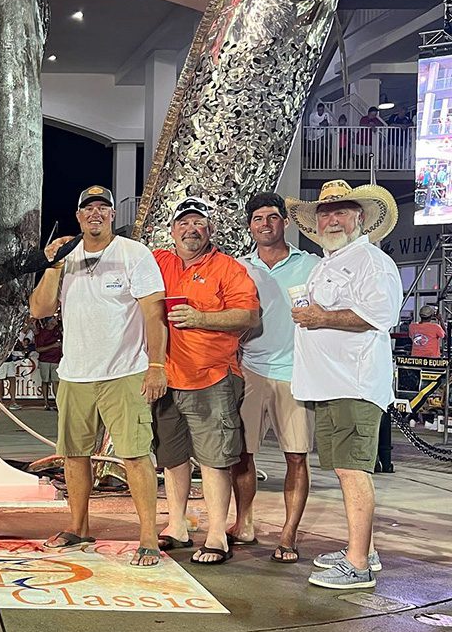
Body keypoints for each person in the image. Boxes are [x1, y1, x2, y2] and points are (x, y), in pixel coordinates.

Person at [31, 185, 168, 567]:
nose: (96, 213)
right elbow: (40, 309)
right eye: (88, 208)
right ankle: (78, 528)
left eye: (103, 207)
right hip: (75, 373)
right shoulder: (67, 257)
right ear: (78, 216)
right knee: (74, 456)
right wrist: (54, 264)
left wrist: (156, 365)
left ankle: (148, 537)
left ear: (111, 215)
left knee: (135, 454)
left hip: (124, 372)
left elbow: (154, 315)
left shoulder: (133, 253)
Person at [286, 180, 402, 590]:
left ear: (360, 218)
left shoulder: (371, 261)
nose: (331, 219)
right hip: (329, 384)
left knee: (354, 470)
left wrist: (321, 318)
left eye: (341, 211)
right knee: (344, 469)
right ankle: (362, 548)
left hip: (353, 383)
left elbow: (380, 315)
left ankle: (357, 567)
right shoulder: (326, 263)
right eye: (324, 213)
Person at [152, 196, 259, 566]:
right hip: (167, 379)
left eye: (198, 223)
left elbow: (248, 315)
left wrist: (201, 319)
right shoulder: (160, 261)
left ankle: (216, 534)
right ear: (172, 231)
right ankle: (178, 525)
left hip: (212, 377)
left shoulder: (228, 269)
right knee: (173, 456)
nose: (191, 229)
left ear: (209, 230)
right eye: (183, 223)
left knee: (215, 460)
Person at [230, 192, 321, 563]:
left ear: (285, 221)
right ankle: (244, 522)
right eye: (257, 219)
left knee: (296, 457)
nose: (265, 224)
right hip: (250, 370)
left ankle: (288, 534)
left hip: (296, 373)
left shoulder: (311, 264)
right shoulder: (239, 267)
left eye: (272, 217)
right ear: (250, 226)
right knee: (241, 455)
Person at [0, 329, 32, 410]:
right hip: (0, 360)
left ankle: (13, 402)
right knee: (0, 380)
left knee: (12, 379)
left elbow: (17, 342)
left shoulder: (11, 333)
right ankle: (0, 403)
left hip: (10, 359)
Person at [33, 314, 63, 410]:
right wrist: (53, 346)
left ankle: (58, 403)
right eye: (53, 318)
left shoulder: (57, 331)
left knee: (56, 382)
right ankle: (46, 402)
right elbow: (38, 349)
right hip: (45, 361)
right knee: (45, 381)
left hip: (56, 360)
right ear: (49, 321)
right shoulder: (42, 333)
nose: (56, 319)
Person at [307, 102, 332, 167]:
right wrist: (320, 124)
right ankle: (312, 165)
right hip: (312, 135)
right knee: (312, 151)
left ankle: (320, 165)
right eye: (319, 110)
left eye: (322, 110)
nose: (321, 111)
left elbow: (327, 124)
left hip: (321, 135)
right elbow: (311, 125)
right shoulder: (312, 115)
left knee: (320, 151)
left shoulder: (326, 115)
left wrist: (323, 124)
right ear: (317, 110)